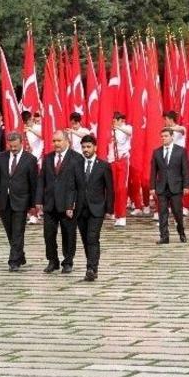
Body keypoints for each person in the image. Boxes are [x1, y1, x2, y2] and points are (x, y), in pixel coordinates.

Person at [0, 131, 39, 271]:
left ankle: (13, 261)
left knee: (18, 231)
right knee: (10, 231)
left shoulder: (30, 159)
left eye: (15, 146)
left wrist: (34, 204)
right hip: (4, 200)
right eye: (10, 146)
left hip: (21, 200)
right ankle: (20, 255)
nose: (13, 148)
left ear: (21, 143)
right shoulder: (1, 157)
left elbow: (33, 183)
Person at [37, 130, 83, 274]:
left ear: (67, 141)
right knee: (48, 234)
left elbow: (79, 184)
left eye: (59, 141)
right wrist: (38, 199)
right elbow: (41, 180)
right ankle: (52, 261)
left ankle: (68, 262)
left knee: (68, 234)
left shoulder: (76, 158)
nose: (56, 144)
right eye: (54, 141)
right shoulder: (48, 158)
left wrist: (74, 203)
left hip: (67, 204)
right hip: (50, 203)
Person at [76, 134, 114, 281]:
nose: (86, 150)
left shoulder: (103, 165)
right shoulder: (77, 164)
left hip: (97, 208)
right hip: (80, 208)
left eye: (88, 147)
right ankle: (91, 265)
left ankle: (91, 268)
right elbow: (72, 187)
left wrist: (109, 209)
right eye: (83, 147)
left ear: (95, 147)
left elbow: (109, 189)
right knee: (86, 239)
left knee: (92, 237)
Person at [151, 127, 189, 244]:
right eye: (162, 136)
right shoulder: (157, 152)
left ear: (172, 137)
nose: (163, 138)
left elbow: (186, 170)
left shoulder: (181, 151)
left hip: (176, 187)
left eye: (166, 136)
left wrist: (186, 186)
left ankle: (181, 232)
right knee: (162, 213)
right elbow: (153, 171)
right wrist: (152, 187)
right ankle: (164, 236)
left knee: (177, 212)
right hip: (162, 187)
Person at [108, 112, 132, 226]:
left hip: (123, 160)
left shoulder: (126, 127)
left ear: (119, 120)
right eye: (112, 121)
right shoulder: (110, 130)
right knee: (114, 188)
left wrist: (118, 127)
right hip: (112, 160)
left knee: (121, 188)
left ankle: (122, 216)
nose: (113, 122)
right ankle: (116, 213)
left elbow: (130, 132)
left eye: (115, 121)